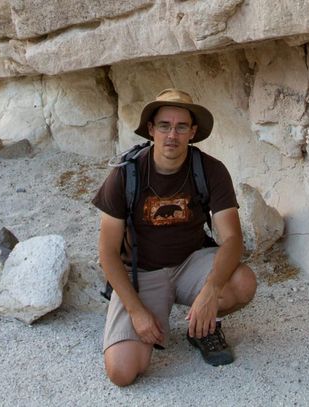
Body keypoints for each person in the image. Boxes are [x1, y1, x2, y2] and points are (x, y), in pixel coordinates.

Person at [91, 88, 257, 386]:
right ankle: (134, 314)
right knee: (122, 372)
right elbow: (107, 253)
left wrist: (211, 290)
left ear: (192, 132)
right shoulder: (125, 175)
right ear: (151, 129)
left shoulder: (210, 170)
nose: (172, 135)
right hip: (142, 273)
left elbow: (233, 239)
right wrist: (136, 311)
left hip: (190, 264)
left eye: (181, 127)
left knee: (242, 282)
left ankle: (204, 327)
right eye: (164, 125)